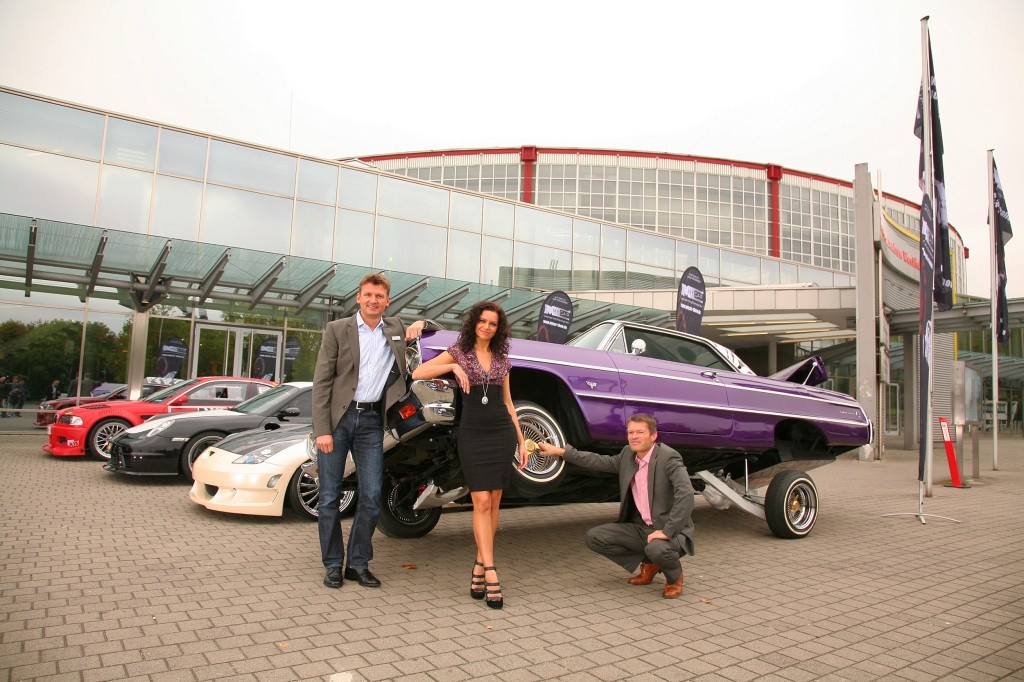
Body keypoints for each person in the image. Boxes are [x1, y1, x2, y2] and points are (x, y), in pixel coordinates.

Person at [312, 273, 429, 590]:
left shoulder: (395, 328)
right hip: (338, 421)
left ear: (387, 301)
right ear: (358, 298)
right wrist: (322, 429)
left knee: (372, 495)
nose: (373, 300)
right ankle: (333, 564)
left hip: (372, 422)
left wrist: (422, 323)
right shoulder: (338, 330)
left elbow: (434, 331)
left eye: (379, 296)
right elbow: (322, 382)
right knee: (329, 497)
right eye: (368, 295)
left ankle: (358, 564)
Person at [412, 301, 528, 609]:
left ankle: (479, 565)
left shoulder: (503, 360)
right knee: (481, 501)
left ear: (498, 328)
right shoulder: (459, 352)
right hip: (473, 432)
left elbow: (508, 402)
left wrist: (521, 440)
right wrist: (452, 367)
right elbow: (418, 372)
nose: (487, 327)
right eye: (483, 321)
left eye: (493, 323)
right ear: (474, 322)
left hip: (501, 431)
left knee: (495, 502)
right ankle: (491, 571)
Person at [536, 413, 695, 599]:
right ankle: (650, 563)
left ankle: (674, 578)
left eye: (640, 432)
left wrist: (667, 531)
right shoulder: (628, 454)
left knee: (657, 549)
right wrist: (561, 451)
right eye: (630, 432)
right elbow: (598, 460)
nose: (634, 437)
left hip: (672, 532)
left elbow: (686, 494)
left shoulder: (669, 457)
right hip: (642, 527)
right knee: (595, 537)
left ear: (653, 435)